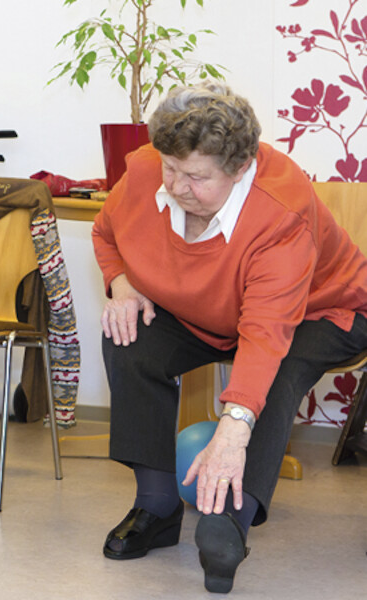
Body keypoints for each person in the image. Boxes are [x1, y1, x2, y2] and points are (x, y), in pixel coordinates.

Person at [92, 81, 367, 594]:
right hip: (209, 312)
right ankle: (156, 507)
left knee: (277, 370)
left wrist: (232, 429)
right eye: (170, 168)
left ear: (240, 168)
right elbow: (106, 233)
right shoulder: (146, 170)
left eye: (195, 176)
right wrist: (122, 284)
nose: (175, 185)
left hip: (321, 309)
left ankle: (229, 522)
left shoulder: (281, 211)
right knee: (130, 338)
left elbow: (265, 334)